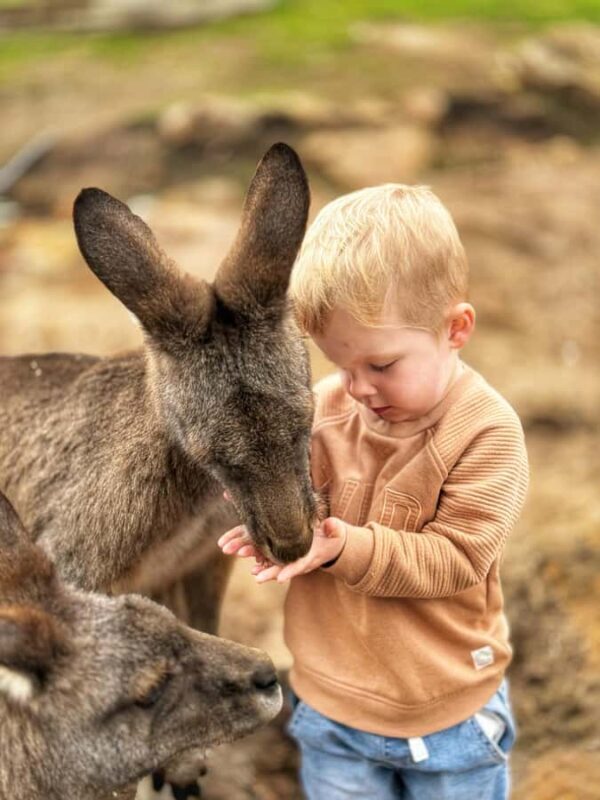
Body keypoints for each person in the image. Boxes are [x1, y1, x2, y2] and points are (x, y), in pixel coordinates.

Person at [217, 183, 529, 800]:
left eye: (381, 365)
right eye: (340, 365)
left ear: (455, 328)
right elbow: (305, 517)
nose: (358, 387)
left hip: (447, 713)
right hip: (331, 709)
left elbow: (457, 558)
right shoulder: (322, 413)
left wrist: (344, 548)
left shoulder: (486, 434)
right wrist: (275, 524)